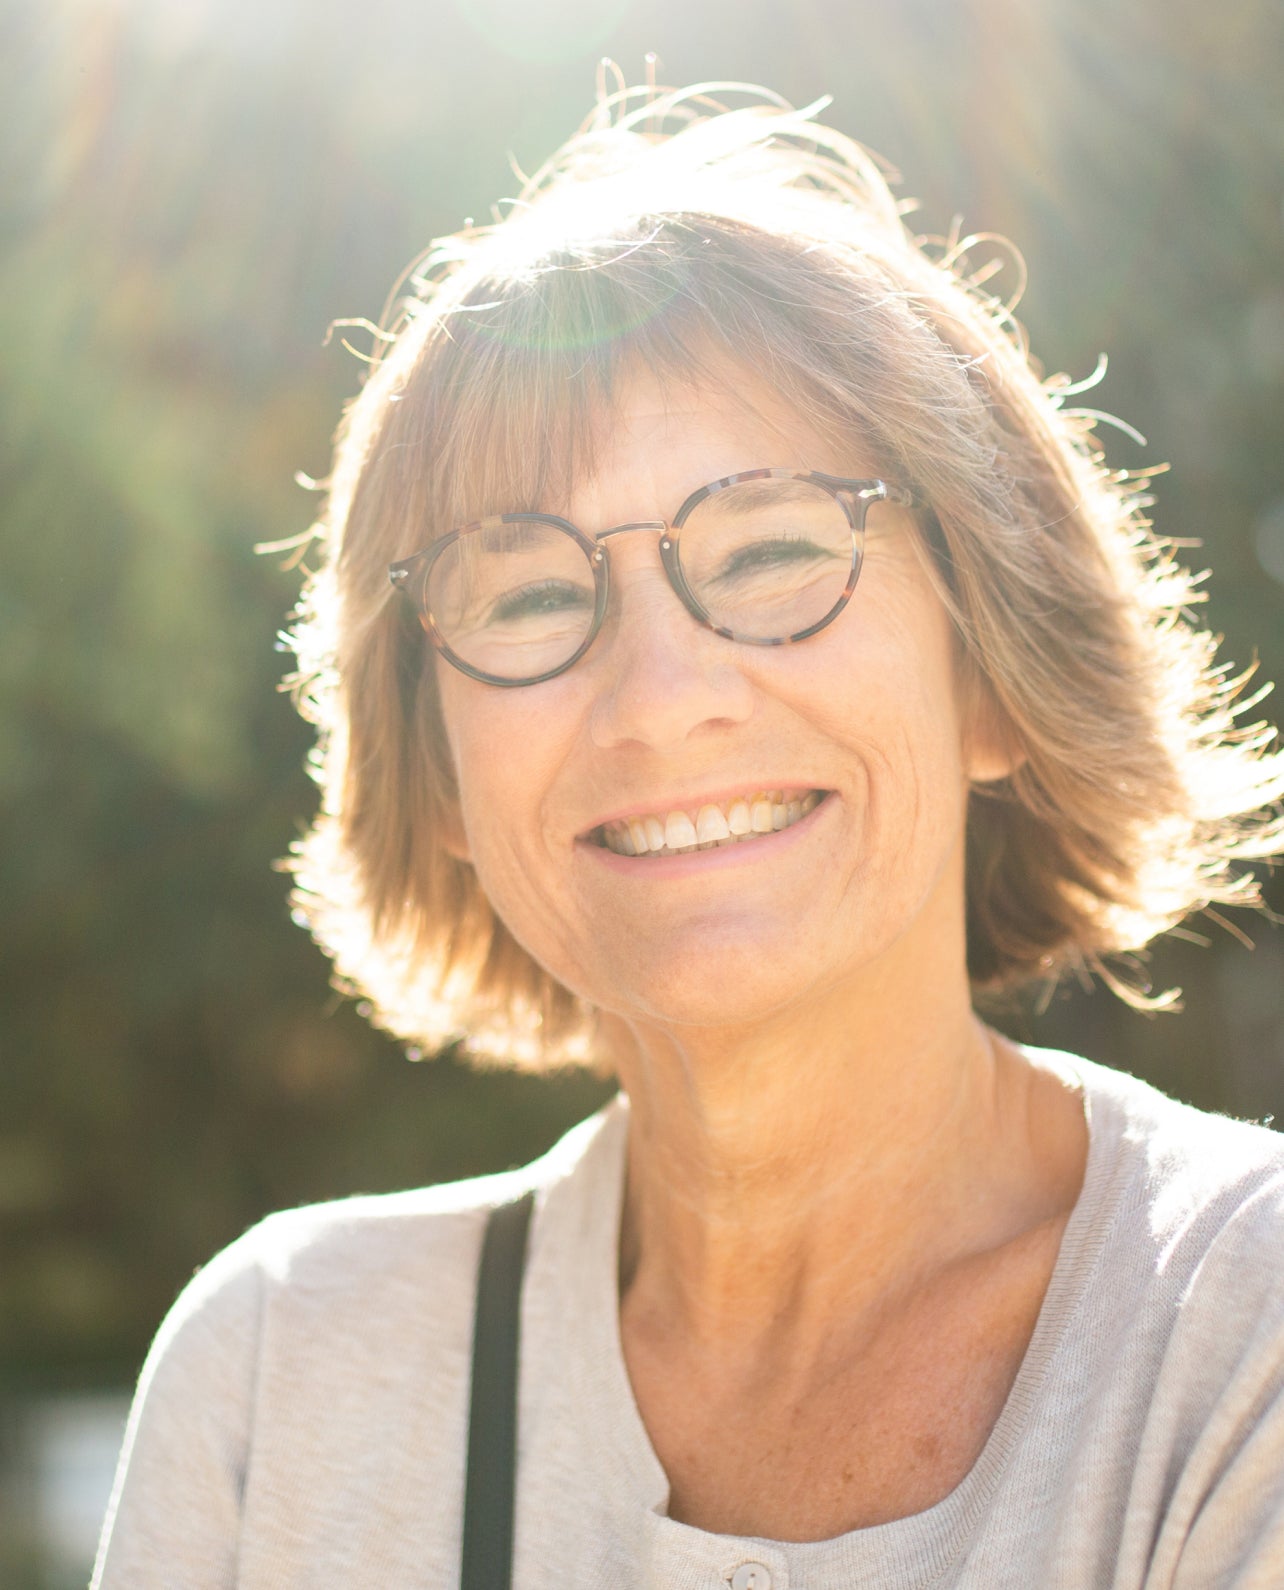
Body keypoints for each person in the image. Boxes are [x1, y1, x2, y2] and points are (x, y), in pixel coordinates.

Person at [94, 80, 1284, 1588]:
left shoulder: (1248, 1343)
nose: (656, 700)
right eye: (528, 592)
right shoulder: (275, 1381)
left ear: (993, 675)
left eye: (775, 551)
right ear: (445, 779)